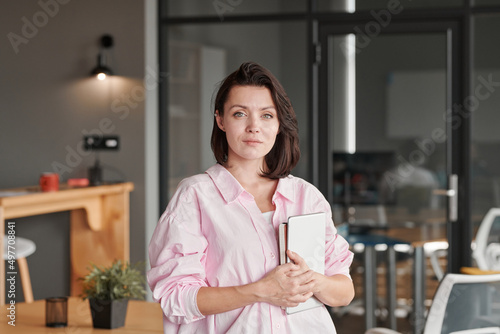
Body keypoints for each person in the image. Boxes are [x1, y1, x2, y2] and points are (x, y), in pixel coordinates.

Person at [147, 62, 354, 333]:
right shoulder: (195, 197)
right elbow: (175, 298)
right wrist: (260, 291)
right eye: (240, 114)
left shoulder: (306, 196)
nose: (254, 127)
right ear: (220, 120)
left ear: (279, 123)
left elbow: (344, 291)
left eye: (267, 115)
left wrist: (310, 281)